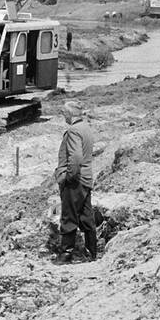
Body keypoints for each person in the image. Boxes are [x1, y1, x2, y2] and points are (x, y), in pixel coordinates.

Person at [54, 100, 98, 262]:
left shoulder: (73, 131)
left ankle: (66, 254)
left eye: (64, 113)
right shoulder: (85, 128)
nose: (63, 116)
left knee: (69, 216)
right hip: (86, 178)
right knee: (86, 217)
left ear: (70, 114)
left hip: (75, 180)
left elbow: (76, 157)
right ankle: (92, 253)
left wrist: (68, 177)